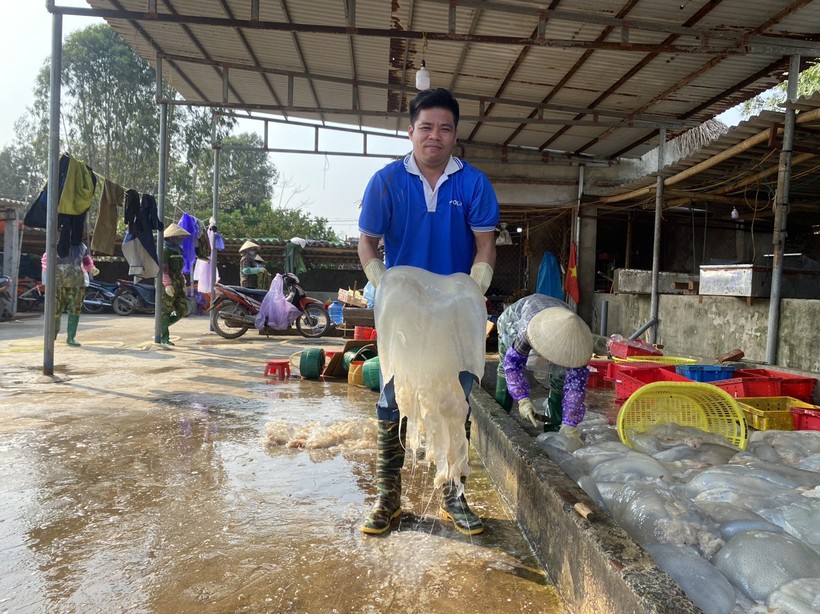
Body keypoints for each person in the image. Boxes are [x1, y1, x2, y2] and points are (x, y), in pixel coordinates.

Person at [357, 87, 499, 536]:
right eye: (426, 127)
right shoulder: (385, 181)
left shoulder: (473, 183)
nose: (434, 136)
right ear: (411, 130)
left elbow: (485, 244)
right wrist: (378, 275)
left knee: (458, 397)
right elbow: (366, 240)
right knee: (392, 394)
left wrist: (478, 283)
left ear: (456, 134)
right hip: (404, 307)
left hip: (456, 307)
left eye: (444, 128)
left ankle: (454, 498)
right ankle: (388, 500)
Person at [495, 294, 594, 442]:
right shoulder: (527, 333)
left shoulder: (577, 345)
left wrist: (570, 423)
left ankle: (555, 427)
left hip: (561, 326)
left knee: (561, 378)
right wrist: (523, 400)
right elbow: (512, 364)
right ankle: (499, 417)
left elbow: (575, 387)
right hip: (517, 319)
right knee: (505, 368)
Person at [42, 242, 98, 347]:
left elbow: (86, 260)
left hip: (77, 281)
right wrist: (47, 272)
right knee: (55, 308)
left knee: (75, 308)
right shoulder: (54, 244)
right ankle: (52, 334)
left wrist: (91, 268)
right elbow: (46, 260)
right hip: (58, 281)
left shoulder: (82, 247)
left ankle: (71, 337)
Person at [160, 223, 191, 346]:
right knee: (166, 311)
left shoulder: (178, 250)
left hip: (178, 281)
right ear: (171, 238)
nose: (180, 240)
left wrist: (183, 282)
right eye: (178, 237)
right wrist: (167, 284)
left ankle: (161, 325)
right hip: (168, 283)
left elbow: (180, 269)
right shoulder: (165, 250)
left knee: (182, 308)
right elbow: (163, 270)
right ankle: (164, 338)